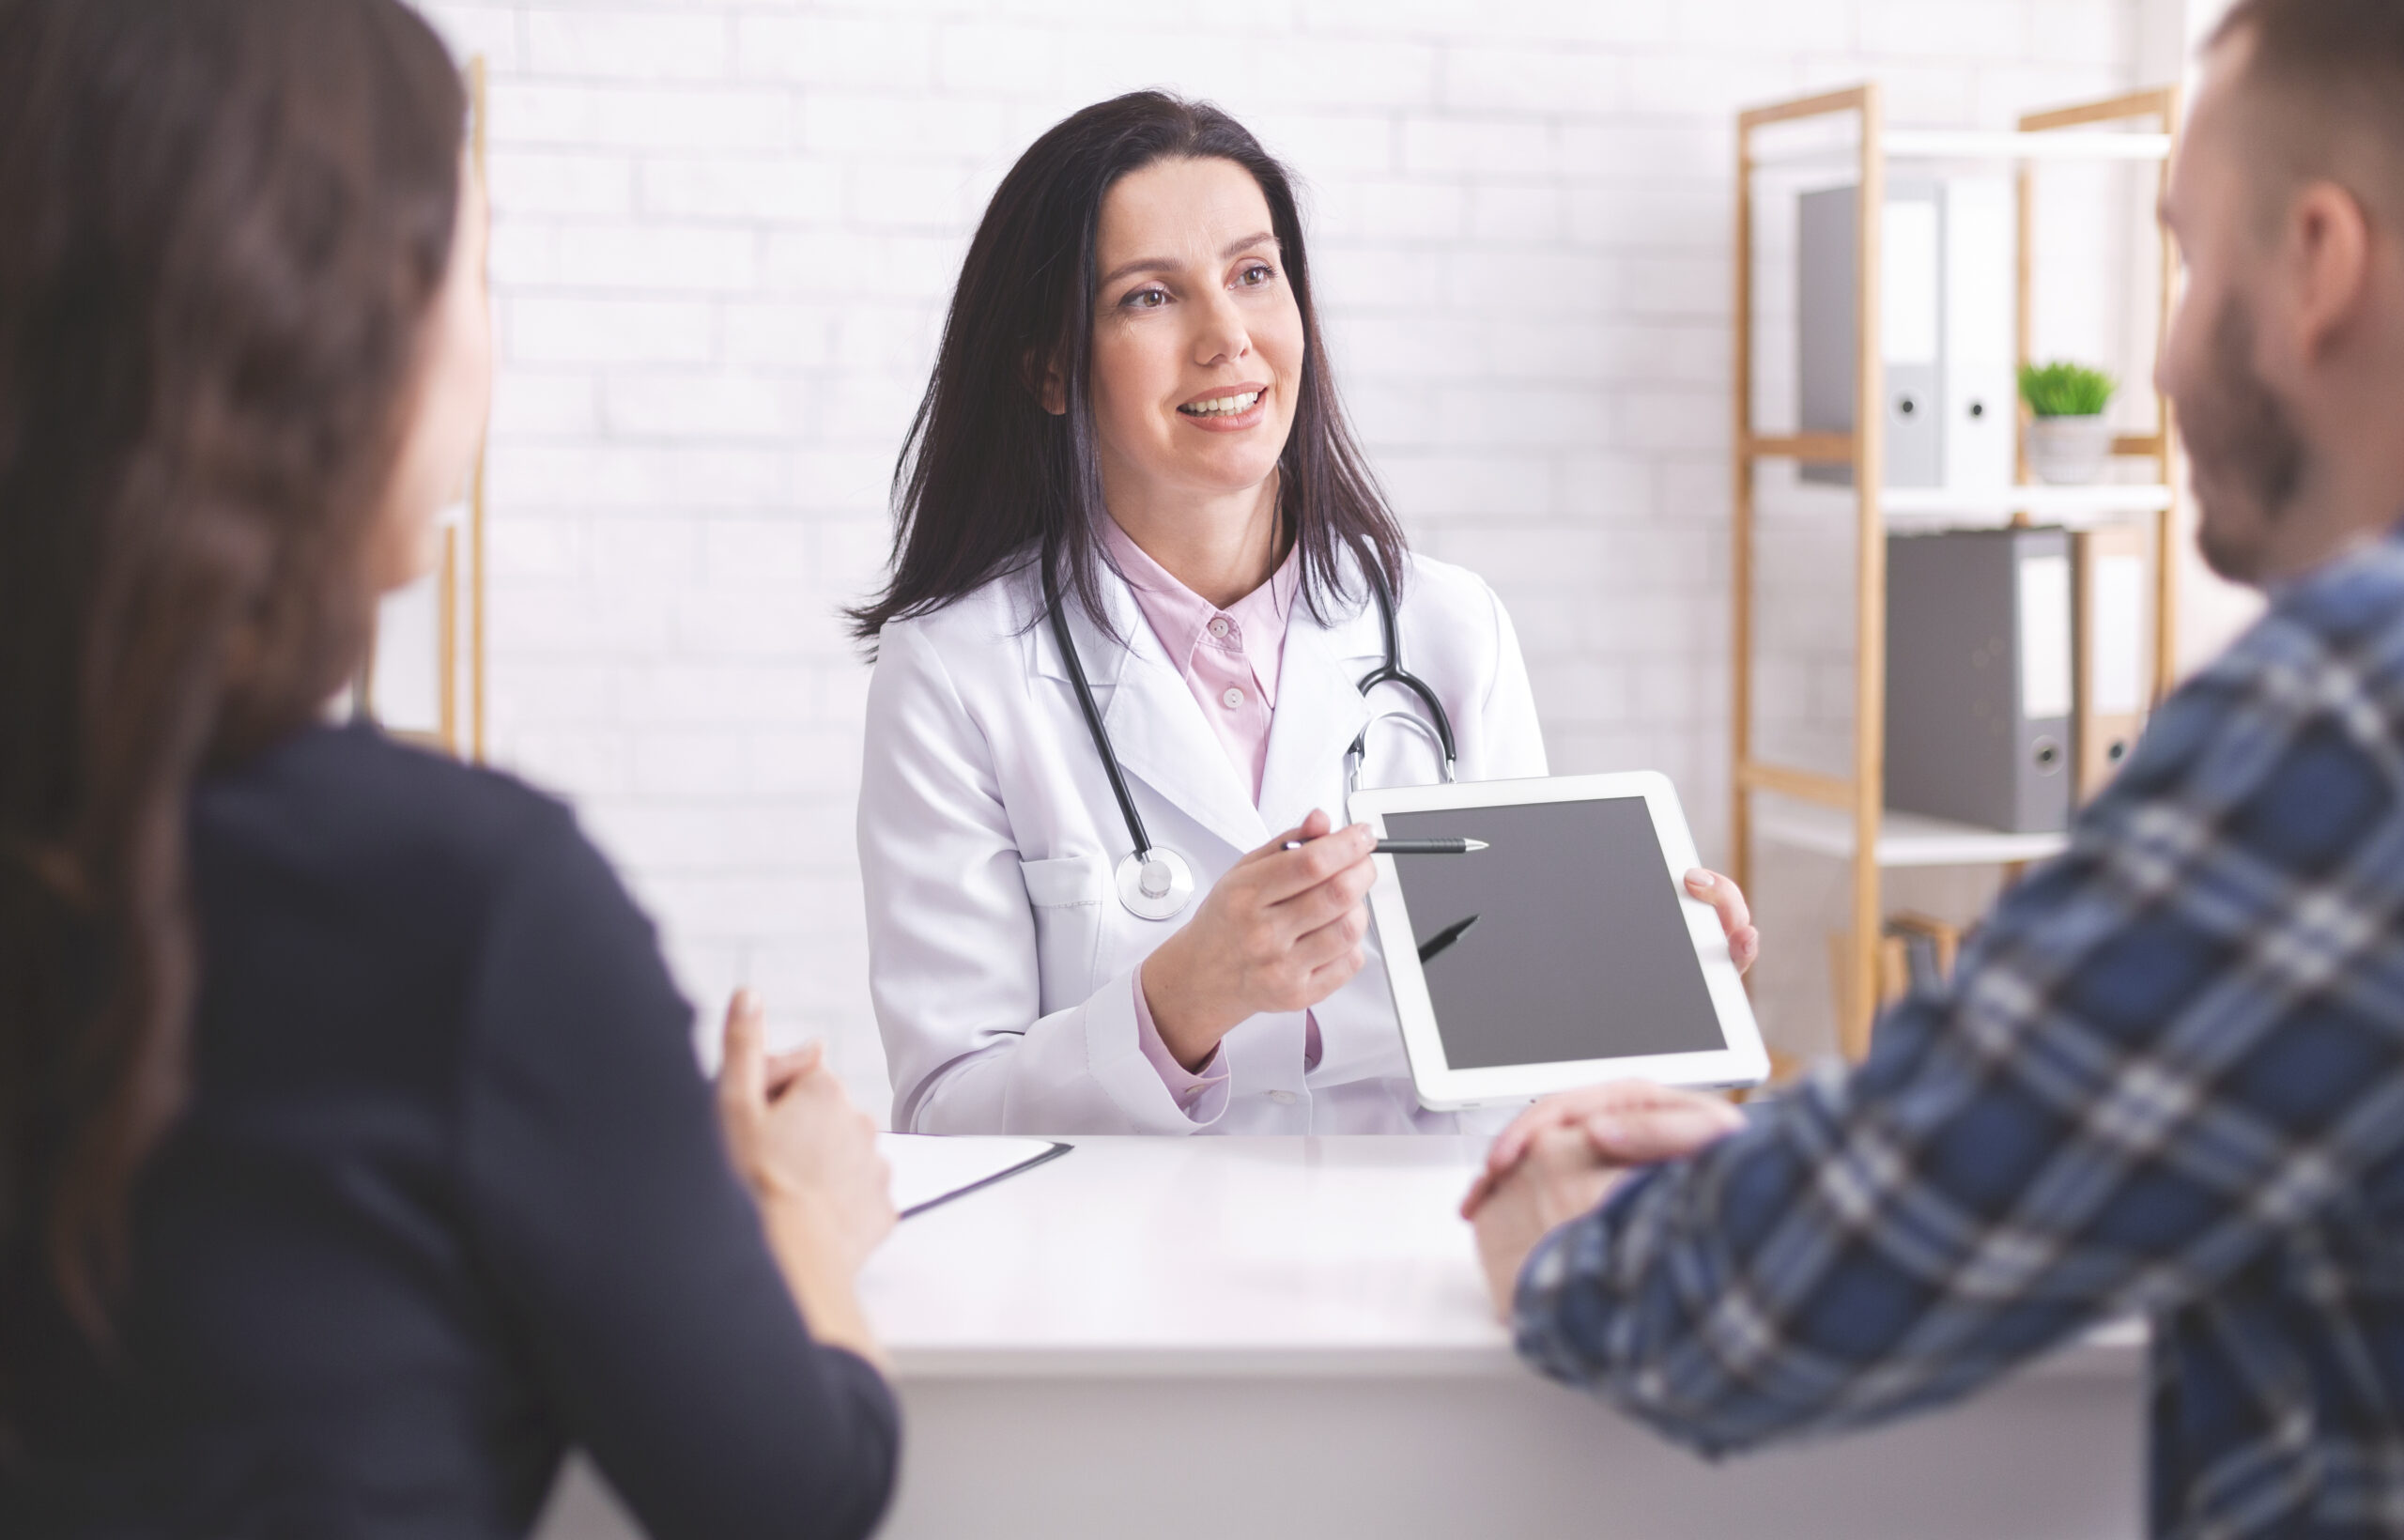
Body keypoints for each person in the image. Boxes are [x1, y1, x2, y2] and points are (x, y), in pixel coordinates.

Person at [1465, 3, 2404, 1533]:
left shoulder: (2349, 712)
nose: (2160, 352)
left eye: (2186, 254)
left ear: (2317, 264)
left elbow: (1763, 1304)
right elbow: (2078, 1116)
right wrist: (1811, 1139)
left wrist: (1572, 1241)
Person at [0, 3, 898, 1535]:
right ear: (333, 340)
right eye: (468, 271)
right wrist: (800, 1216)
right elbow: (790, 1492)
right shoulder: (472, 909)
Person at [851, 91, 1761, 1136]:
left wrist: (1642, 982)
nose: (1227, 337)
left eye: (1253, 275)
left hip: (1415, 1265)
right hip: (1126, 1281)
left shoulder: (1448, 628)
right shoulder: (955, 672)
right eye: (1150, 297)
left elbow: (1533, 1080)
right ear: (1051, 369)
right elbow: (945, 1110)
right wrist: (1180, 999)